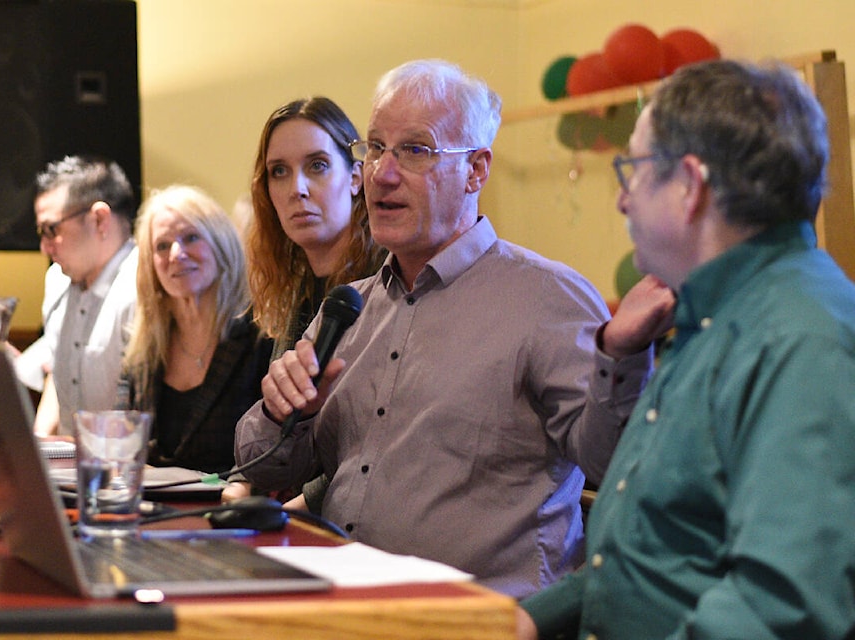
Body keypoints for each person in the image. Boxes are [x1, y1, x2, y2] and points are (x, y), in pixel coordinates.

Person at [235, 59, 674, 598]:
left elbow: (615, 466)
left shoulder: (547, 299)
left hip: (477, 621)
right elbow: (261, 464)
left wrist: (622, 353)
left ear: (476, 171)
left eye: (415, 150)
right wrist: (284, 410)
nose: (382, 173)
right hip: (341, 607)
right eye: (375, 148)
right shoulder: (350, 308)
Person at [517, 60, 855, 640]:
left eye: (634, 172)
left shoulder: (800, 340)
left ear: (690, 186)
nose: (623, 202)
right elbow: (647, 555)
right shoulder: (709, 316)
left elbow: (781, 610)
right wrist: (514, 622)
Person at [246, 96, 386, 508]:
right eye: (279, 172)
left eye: (317, 166)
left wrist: (300, 506)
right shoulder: (296, 288)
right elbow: (283, 429)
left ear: (357, 177)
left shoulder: (391, 280)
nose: (297, 189)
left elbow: (379, 443)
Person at [117, 185, 273, 475]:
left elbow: (275, 453)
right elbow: (122, 447)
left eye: (191, 238)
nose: (177, 254)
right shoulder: (142, 347)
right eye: (162, 246)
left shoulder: (261, 338)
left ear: (221, 244)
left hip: (230, 509)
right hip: (153, 509)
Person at [26, 155, 138, 435]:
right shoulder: (57, 279)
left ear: (100, 219)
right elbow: (56, 375)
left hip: (123, 467)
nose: (44, 247)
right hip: (68, 466)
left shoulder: (142, 285)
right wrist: (38, 447)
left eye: (51, 229)